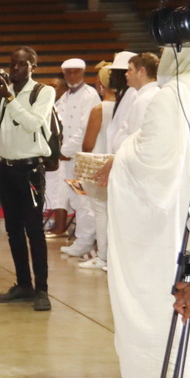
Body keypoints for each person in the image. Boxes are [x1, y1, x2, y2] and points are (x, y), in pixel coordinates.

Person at [99, 40, 190, 378]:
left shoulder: (173, 95)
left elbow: (151, 160)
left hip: (172, 220)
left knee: (175, 292)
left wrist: (122, 156)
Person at [0, 47, 56, 312]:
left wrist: (9, 97)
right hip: (7, 168)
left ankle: (42, 289)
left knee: (34, 230)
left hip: (31, 168)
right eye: (13, 63)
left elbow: (33, 123)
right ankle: (24, 284)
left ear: (34, 65)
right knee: (13, 230)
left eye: (23, 64)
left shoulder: (42, 91)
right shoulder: (4, 91)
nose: (17, 68)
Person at [46, 58, 100, 257]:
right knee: (77, 200)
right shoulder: (65, 97)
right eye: (68, 72)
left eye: (76, 72)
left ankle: (86, 242)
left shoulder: (89, 95)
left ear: (83, 73)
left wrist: (64, 151)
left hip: (81, 158)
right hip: (68, 160)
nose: (72, 76)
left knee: (85, 201)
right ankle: (82, 240)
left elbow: (84, 129)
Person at [75, 63, 119, 272]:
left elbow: (88, 143)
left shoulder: (100, 108)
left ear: (101, 84)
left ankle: (103, 255)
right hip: (117, 163)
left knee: (100, 212)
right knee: (113, 213)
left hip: (98, 164)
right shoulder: (123, 105)